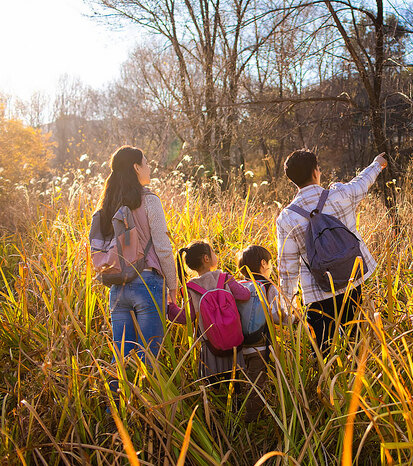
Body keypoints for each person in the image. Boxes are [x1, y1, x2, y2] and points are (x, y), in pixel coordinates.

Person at [275, 149, 388, 355]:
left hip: (318, 293)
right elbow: (362, 182)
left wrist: (286, 306)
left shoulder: (286, 218)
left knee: (323, 351)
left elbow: (287, 268)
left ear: (293, 181)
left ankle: (327, 384)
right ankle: (355, 380)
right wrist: (377, 164)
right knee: (354, 341)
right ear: (316, 172)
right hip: (352, 280)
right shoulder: (340, 194)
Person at [97, 145, 178, 361]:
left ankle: (117, 395)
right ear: (136, 167)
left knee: (120, 360)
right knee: (150, 359)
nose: (149, 167)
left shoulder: (108, 205)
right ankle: (148, 396)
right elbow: (162, 247)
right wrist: (173, 285)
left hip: (117, 286)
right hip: (148, 284)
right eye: (146, 163)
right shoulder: (150, 200)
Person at [170, 240, 251, 382]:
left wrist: (169, 306)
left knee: (213, 383)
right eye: (213, 252)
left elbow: (185, 318)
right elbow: (244, 295)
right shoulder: (225, 278)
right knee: (234, 381)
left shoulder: (190, 288)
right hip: (233, 342)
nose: (215, 254)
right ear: (206, 258)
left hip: (210, 346)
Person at [236, 244, 284, 421]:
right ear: (263, 264)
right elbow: (277, 316)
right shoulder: (268, 287)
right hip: (260, 346)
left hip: (238, 345)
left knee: (242, 380)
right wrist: (295, 319)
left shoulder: (238, 286)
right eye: (270, 263)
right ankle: (253, 420)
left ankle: (237, 411)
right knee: (257, 383)